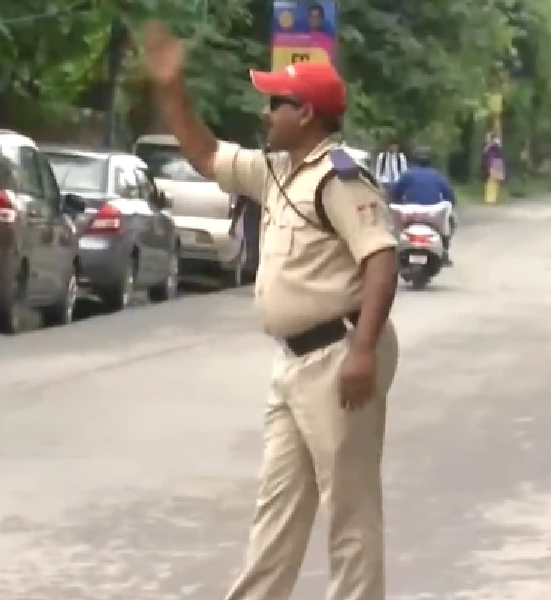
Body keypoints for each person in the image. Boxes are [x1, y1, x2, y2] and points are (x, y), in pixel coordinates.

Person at [141, 21, 400, 600]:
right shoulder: (279, 172)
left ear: (305, 114)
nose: (264, 114)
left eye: (275, 103)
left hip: (339, 356)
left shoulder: (339, 179)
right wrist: (170, 86)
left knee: (350, 514)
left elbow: (381, 262)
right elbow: (205, 152)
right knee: (276, 512)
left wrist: (362, 353)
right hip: (293, 363)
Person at [390, 146, 456, 265]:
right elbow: (449, 195)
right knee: (449, 223)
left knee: (394, 229)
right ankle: (445, 251)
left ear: (414, 160)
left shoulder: (408, 175)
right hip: (433, 213)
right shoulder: (437, 175)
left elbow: (395, 192)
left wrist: (397, 201)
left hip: (411, 213)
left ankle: (392, 253)